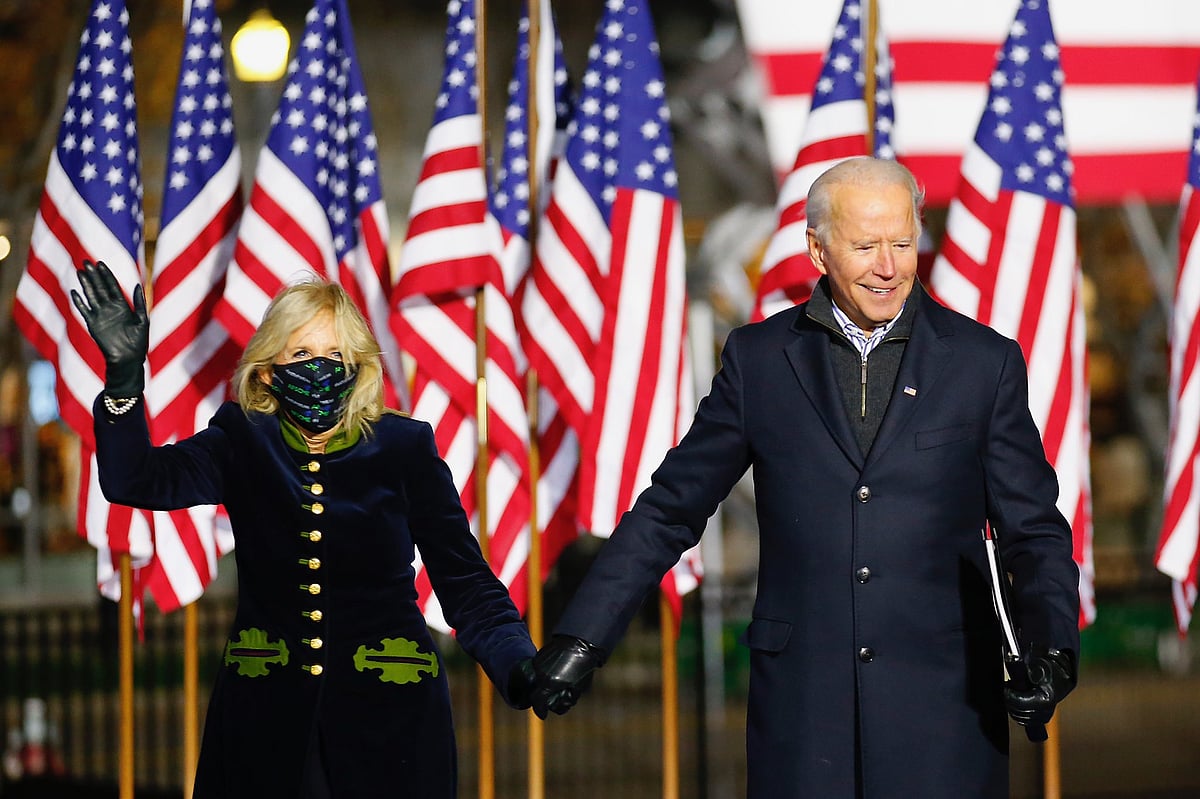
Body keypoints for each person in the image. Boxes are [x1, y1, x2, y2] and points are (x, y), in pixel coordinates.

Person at [526, 157, 1080, 798]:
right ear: (817, 250)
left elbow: (1034, 530)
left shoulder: (984, 363)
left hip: (947, 712)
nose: (889, 265)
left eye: (902, 242)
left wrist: (1052, 648)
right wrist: (583, 636)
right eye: (866, 245)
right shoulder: (759, 362)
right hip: (803, 718)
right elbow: (670, 509)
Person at [71, 262, 537, 799]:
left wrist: (516, 661)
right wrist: (124, 384)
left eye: (335, 355)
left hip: (390, 725)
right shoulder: (240, 440)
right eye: (302, 354)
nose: (320, 367)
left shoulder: (405, 447)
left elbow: (466, 584)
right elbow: (137, 480)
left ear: (358, 367)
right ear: (268, 369)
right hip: (264, 723)